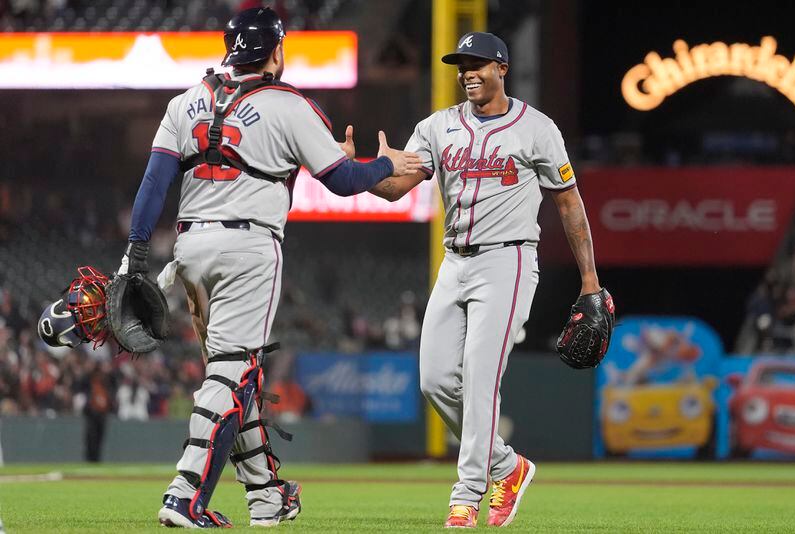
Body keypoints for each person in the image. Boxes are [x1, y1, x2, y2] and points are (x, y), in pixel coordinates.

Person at [118, 7, 421, 528]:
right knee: (232, 375)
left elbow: (152, 187)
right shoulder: (288, 104)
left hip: (190, 252)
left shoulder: (185, 101)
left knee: (239, 377)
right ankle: (184, 495)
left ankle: (266, 495)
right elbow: (346, 181)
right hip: (247, 251)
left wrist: (136, 256)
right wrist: (387, 164)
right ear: (276, 51)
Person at [370, 32, 606, 528]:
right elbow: (396, 189)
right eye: (462, 65)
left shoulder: (537, 129)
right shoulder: (437, 127)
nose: (468, 72)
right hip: (453, 263)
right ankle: (507, 465)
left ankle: (467, 493)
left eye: (478, 63)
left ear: (502, 68)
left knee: (480, 378)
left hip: (509, 262)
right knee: (434, 379)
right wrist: (369, 169)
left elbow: (569, 203)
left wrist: (590, 280)